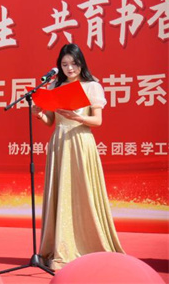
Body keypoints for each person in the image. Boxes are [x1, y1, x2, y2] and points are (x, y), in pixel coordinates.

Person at [35, 43, 124, 270]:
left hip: (81, 141)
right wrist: (38, 114)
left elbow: (98, 121)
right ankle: (59, 248)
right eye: (64, 64)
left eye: (73, 64)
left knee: (83, 191)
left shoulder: (92, 86)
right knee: (60, 193)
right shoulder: (55, 86)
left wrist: (78, 117)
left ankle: (87, 244)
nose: (69, 68)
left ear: (81, 63)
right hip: (59, 142)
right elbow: (51, 121)